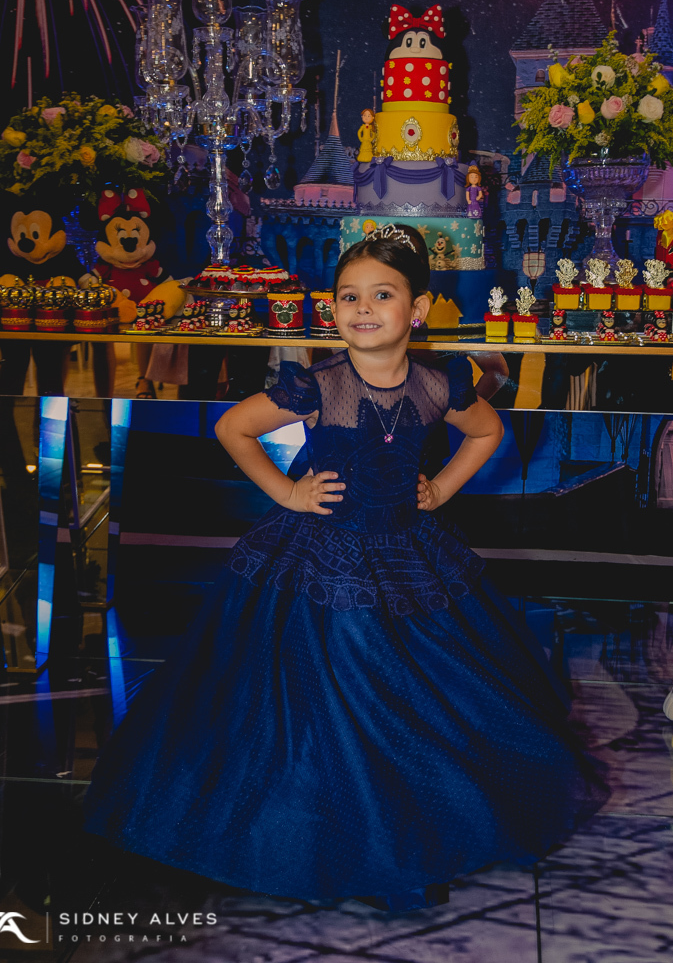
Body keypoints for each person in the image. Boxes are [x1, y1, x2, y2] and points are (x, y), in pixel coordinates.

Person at [83, 222, 605, 912]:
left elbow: (487, 431)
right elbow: (233, 427)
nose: (363, 308)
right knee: (341, 680)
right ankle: (331, 824)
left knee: (418, 684)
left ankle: (412, 813)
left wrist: (441, 489)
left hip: (408, 553)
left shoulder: (438, 383)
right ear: (332, 309)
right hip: (322, 557)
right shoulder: (319, 383)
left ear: (417, 309)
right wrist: (287, 492)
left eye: (382, 294)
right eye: (348, 296)